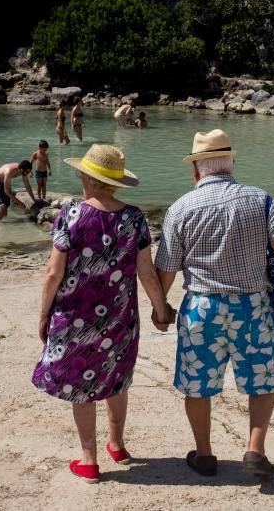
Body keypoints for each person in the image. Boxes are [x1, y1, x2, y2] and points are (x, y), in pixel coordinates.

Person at [154, 129, 274, 479]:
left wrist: (161, 310)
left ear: (197, 170)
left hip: (202, 308)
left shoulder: (180, 208)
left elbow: (167, 268)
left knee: (198, 385)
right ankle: (255, 450)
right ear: (231, 164)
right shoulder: (259, 199)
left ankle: (204, 455)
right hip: (252, 306)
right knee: (261, 379)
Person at [32, 144, 174, 484]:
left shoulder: (71, 215)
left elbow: (54, 273)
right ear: (115, 183)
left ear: (87, 178)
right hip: (119, 317)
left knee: (82, 386)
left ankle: (89, 459)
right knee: (116, 378)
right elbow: (146, 272)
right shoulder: (134, 218)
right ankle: (118, 445)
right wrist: (161, 310)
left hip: (74, 316)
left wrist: (43, 313)